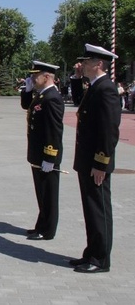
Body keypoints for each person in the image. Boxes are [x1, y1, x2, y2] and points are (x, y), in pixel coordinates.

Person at [70, 43, 121, 274]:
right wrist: (76, 76)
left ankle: (101, 259)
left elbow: (109, 130)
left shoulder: (106, 88)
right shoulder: (95, 86)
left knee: (98, 208)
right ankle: (91, 252)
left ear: (99, 64)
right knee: (90, 208)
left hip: (96, 162)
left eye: (87, 62)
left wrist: (101, 163)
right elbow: (79, 101)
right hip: (87, 161)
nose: (83, 64)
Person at [20, 61, 64, 241]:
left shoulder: (52, 97)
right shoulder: (41, 95)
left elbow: (54, 130)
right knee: (42, 192)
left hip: (47, 155)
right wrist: (28, 90)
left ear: (46, 77)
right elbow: (26, 105)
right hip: (38, 153)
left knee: (48, 194)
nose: (32, 78)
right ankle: (41, 224)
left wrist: (50, 156)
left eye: (35, 75)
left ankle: (48, 230)